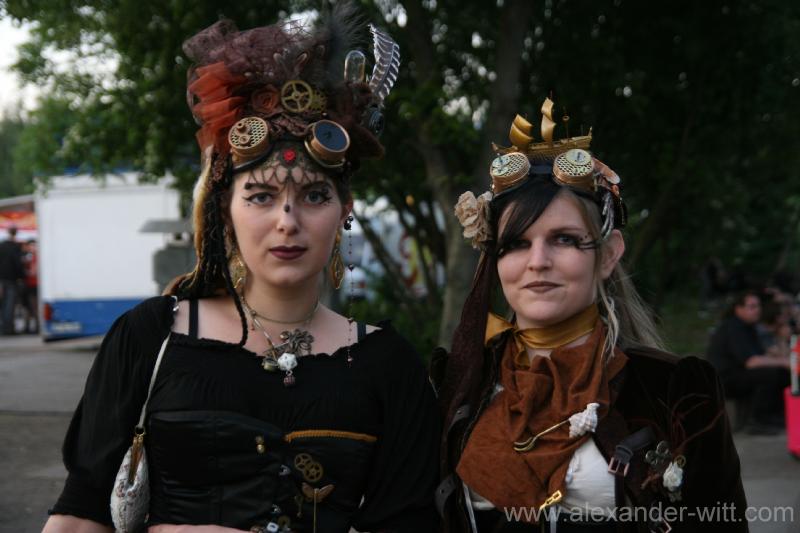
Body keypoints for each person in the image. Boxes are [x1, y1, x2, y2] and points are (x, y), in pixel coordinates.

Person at [44, 8, 439, 533]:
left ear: (345, 210)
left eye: (314, 196)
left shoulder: (389, 367)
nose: (287, 221)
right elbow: (80, 516)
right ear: (224, 211)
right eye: (260, 196)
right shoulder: (150, 337)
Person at [432, 101, 747, 532]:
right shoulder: (461, 382)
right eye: (516, 244)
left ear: (608, 254)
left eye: (564, 239)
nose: (537, 261)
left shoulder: (674, 388)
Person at [707, 291, 790, 433]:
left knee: (782, 373)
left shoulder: (748, 327)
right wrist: (783, 361)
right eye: (752, 306)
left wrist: (782, 353)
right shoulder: (734, 327)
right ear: (739, 309)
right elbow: (751, 361)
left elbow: (762, 355)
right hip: (724, 379)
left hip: (739, 373)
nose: (757, 310)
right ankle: (757, 420)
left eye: (758, 306)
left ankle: (778, 415)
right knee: (770, 374)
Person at [0, 225, 24, 335]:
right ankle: (8, 328)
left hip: (2, 279)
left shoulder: (2, 245)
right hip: (11, 279)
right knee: (10, 304)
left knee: (3, 304)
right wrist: (21, 277)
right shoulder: (15, 246)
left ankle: (4, 327)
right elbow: (18, 263)